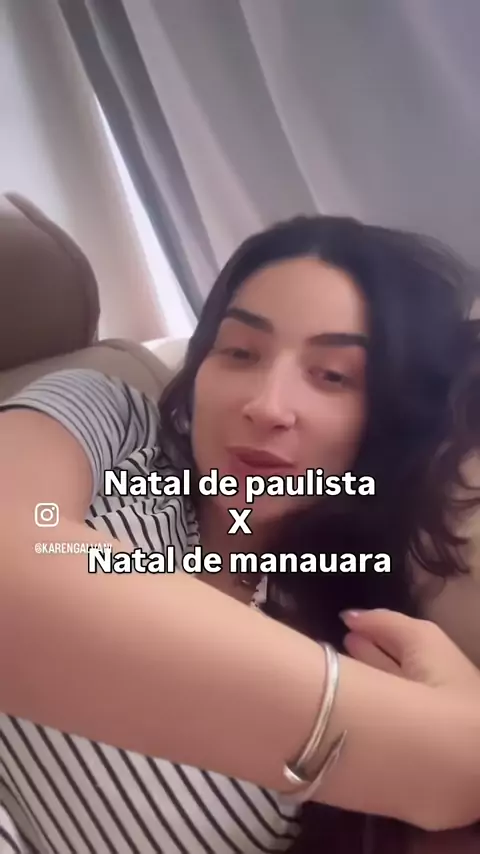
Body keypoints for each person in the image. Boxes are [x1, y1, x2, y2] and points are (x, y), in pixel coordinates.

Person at [0, 215, 479, 854]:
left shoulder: (378, 636)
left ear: (391, 416)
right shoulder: (111, 422)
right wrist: (434, 750)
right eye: (240, 352)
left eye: (333, 375)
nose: (267, 405)